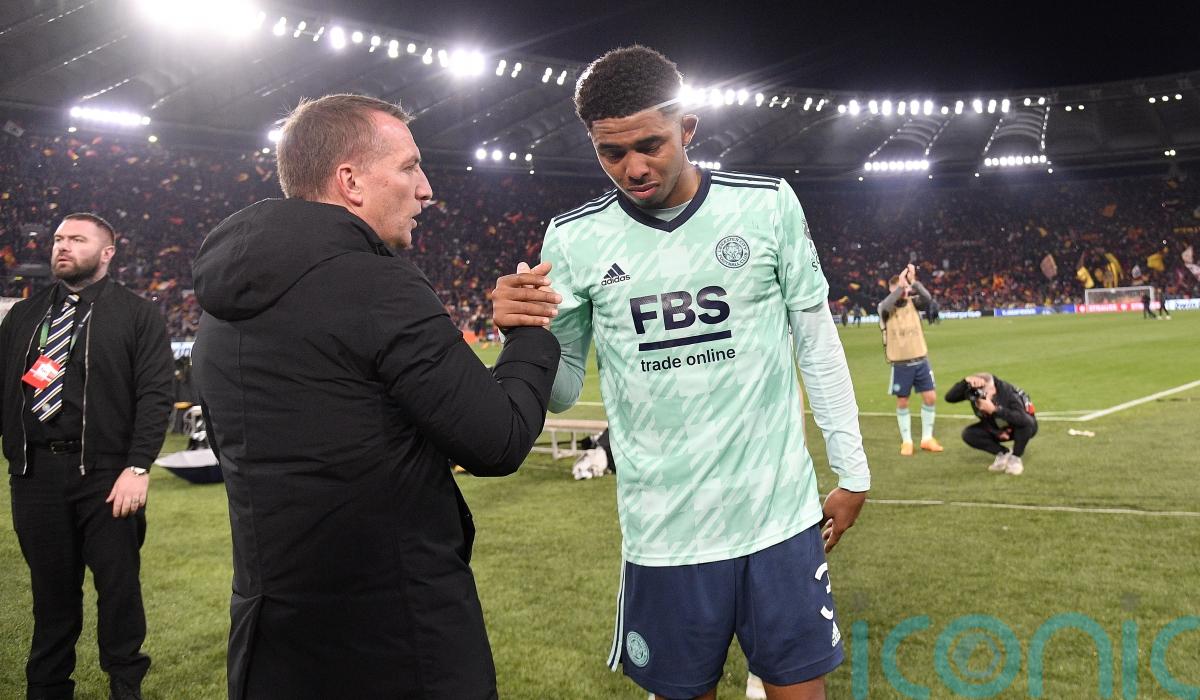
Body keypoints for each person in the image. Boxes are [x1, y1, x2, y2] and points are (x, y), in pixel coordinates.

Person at [518, 45, 870, 700]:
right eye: (611, 153)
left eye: (649, 145)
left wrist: (852, 471)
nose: (633, 167)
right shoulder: (573, 239)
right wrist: (526, 337)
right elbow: (562, 390)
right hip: (664, 533)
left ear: (688, 128)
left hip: (777, 518)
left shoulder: (766, 207)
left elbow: (817, 343)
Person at [191, 94, 561, 700]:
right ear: (351, 181)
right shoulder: (378, 285)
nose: (427, 189)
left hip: (270, 636)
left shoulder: (219, 308)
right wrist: (528, 335)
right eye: (410, 166)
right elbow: (498, 440)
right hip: (395, 635)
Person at [0, 213, 174, 700]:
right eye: (58, 238)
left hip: (107, 475)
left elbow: (156, 395)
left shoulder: (137, 314)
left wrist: (137, 466)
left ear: (107, 252)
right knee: (50, 596)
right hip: (35, 475)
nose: (62, 246)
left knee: (119, 592)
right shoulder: (24, 315)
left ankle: (125, 687)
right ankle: (47, 689)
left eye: (77, 239)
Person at [879, 263, 943, 456]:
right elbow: (886, 305)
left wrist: (913, 281)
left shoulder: (913, 303)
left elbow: (927, 298)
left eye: (905, 288)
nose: (904, 291)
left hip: (921, 360)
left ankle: (927, 439)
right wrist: (900, 286)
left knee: (930, 398)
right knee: (903, 401)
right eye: (900, 288)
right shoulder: (885, 308)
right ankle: (907, 441)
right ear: (892, 290)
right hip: (901, 364)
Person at [944, 373, 1037, 475]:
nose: (980, 398)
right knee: (969, 434)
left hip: (1019, 427)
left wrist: (995, 410)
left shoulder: (1009, 395)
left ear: (993, 390)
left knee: (1026, 424)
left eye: (984, 394)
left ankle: (1015, 458)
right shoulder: (974, 392)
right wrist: (965, 381)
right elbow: (949, 398)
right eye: (979, 394)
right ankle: (1003, 453)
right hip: (995, 425)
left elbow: (1025, 420)